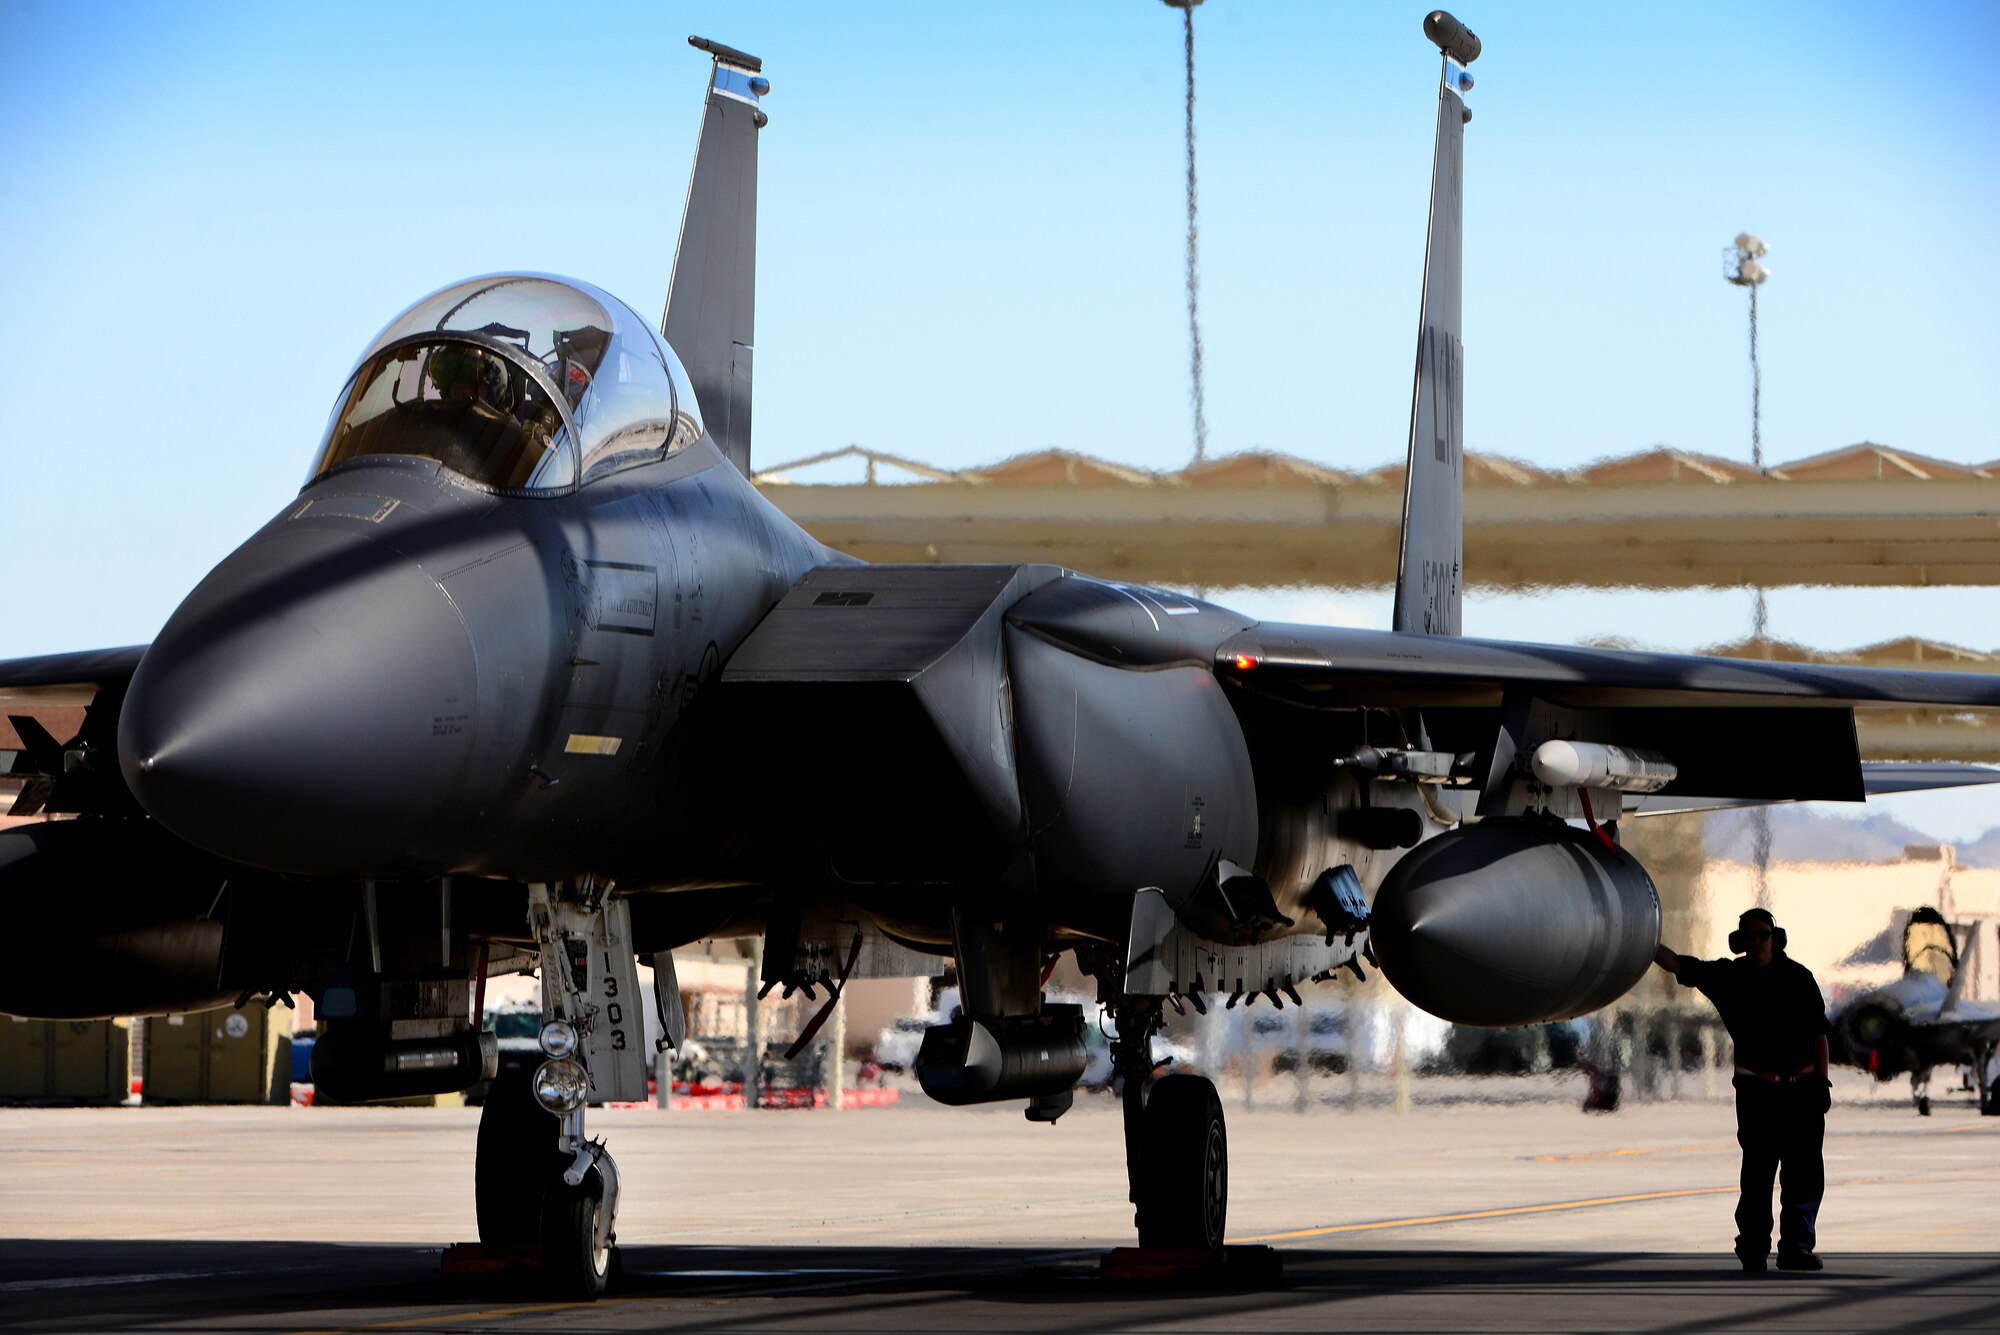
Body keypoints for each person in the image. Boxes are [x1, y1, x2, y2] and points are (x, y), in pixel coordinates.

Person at [1654, 908, 1831, 1273]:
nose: (1756, 942)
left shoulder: (1799, 979)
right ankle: (1753, 1245)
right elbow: (1677, 964)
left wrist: (1822, 1082)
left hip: (1801, 1091)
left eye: (1762, 934)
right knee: (1757, 1172)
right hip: (1756, 1093)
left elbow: (1818, 1033)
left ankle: (1796, 1247)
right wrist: (1638, 941)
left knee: (1803, 1173)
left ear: (1774, 937)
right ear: (1739, 942)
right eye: (1748, 936)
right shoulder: (1728, 977)